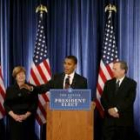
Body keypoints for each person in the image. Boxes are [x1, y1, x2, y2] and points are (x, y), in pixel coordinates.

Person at [101, 61, 137, 140]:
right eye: (113, 69)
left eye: (115, 69)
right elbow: (103, 99)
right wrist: (109, 110)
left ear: (123, 70)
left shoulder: (131, 83)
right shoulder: (108, 83)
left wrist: (116, 109)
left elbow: (130, 100)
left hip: (123, 122)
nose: (112, 71)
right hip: (108, 122)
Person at [4, 66, 38, 140]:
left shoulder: (31, 87)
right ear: (15, 77)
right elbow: (6, 104)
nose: (21, 76)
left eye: (23, 74)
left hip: (28, 119)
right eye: (19, 74)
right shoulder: (10, 89)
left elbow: (34, 104)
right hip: (14, 120)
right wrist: (14, 116)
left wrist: (25, 115)